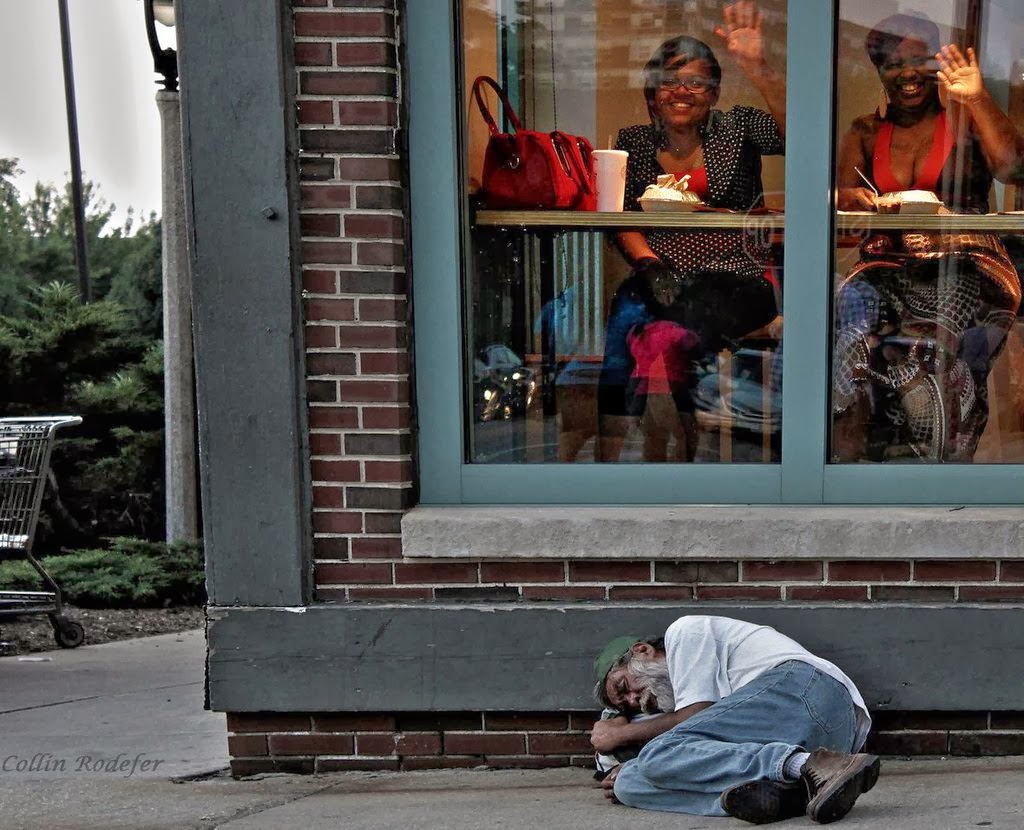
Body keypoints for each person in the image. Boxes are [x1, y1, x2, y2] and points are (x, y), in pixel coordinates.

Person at [598, 1, 786, 461]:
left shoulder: (739, 128)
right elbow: (622, 217)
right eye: (669, 80)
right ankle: (611, 457)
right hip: (659, 271)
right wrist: (649, 264)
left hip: (736, 277)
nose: (682, 91)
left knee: (664, 337)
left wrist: (756, 66)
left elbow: (802, 135)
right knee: (623, 325)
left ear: (714, 92)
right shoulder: (632, 142)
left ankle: (674, 452)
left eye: (697, 81)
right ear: (651, 93)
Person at [833, 13, 1023, 461]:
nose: (908, 72)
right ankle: (859, 466)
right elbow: (843, 218)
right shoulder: (865, 131)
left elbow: (1013, 169)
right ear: (879, 71)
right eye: (893, 63)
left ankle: (935, 465)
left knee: (924, 354)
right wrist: (852, 200)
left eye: (919, 58)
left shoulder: (962, 117)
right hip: (885, 265)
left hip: (967, 263)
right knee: (852, 337)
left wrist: (976, 99)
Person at [591, 615, 878, 824]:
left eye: (623, 686)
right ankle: (792, 794)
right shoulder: (679, 705)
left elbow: (695, 714)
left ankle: (813, 765)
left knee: (657, 754)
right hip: (814, 738)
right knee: (628, 783)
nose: (633, 700)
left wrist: (618, 735)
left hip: (811, 692)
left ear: (642, 650)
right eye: (625, 705)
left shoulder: (685, 632)